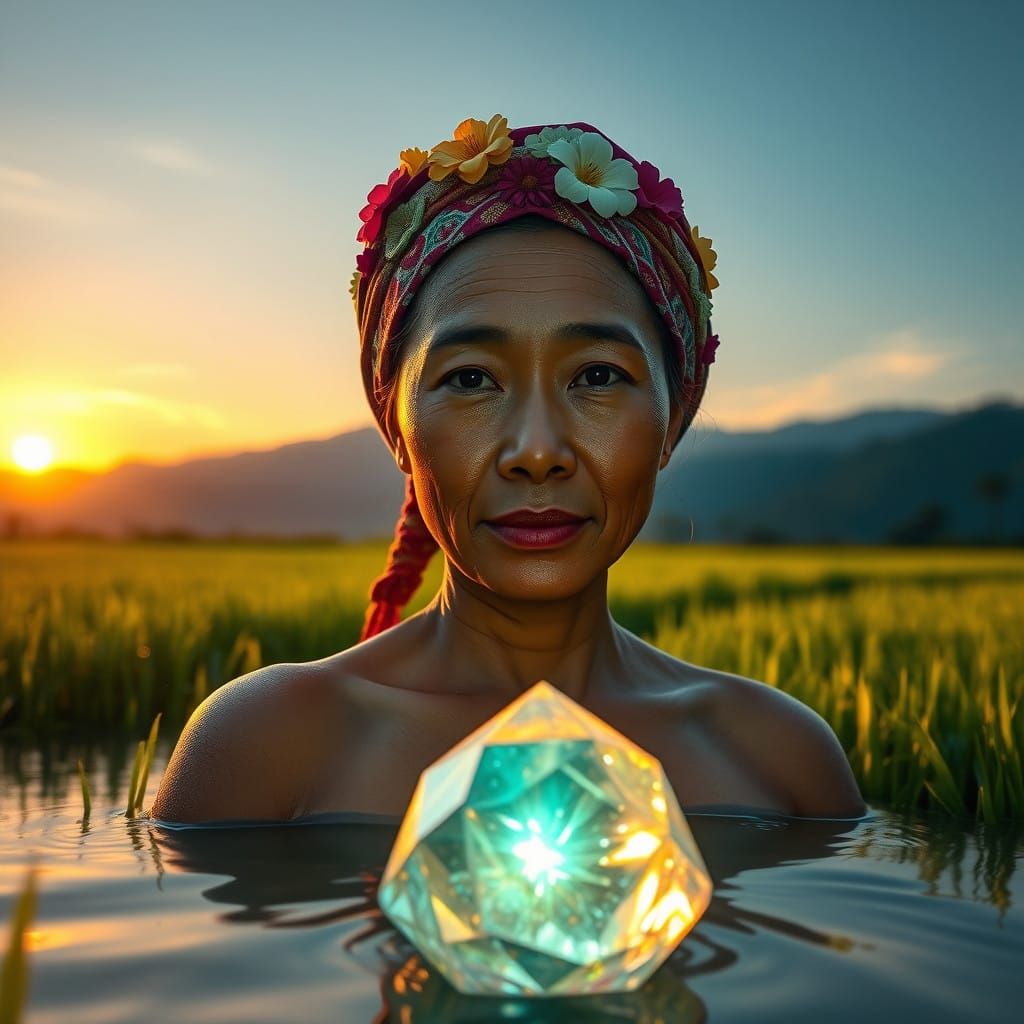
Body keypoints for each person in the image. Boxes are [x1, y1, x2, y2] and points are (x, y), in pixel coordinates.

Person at [152, 116, 867, 824]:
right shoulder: (268, 745)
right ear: (395, 426)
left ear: (672, 420)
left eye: (596, 376)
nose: (536, 450)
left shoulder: (779, 757)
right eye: (470, 379)